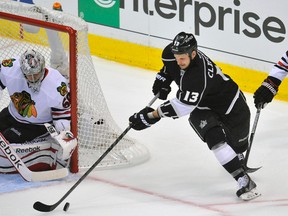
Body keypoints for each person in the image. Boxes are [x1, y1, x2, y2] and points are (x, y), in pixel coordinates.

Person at [129, 32, 261, 200]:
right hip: (202, 107)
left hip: (231, 105)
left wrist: (151, 116)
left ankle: (236, 154)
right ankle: (243, 180)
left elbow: (181, 107)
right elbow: (169, 67)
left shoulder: (198, 76)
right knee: (216, 141)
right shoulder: (172, 54)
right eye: (177, 57)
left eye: (182, 58)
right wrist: (163, 79)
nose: (179, 62)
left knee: (239, 148)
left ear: (193, 53)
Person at [0, 49, 77, 173]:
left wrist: (63, 133)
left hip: (36, 126)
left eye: (35, 74)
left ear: (42, 68)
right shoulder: (10, 68)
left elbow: (61, 114)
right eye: (28, 75)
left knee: (7, 140)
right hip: (10, 114)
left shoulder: (57, 85)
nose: (32, 78)